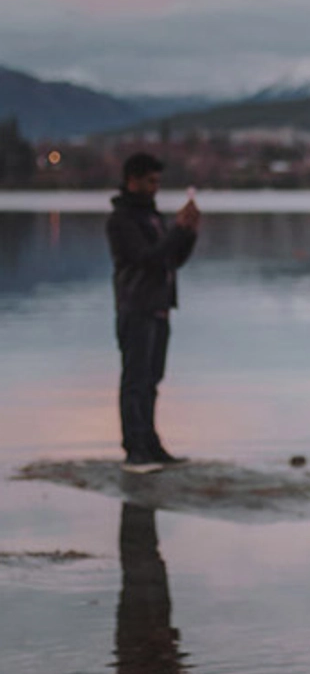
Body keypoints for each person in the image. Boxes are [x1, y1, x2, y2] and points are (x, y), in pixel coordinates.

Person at [106, 153, 200, 471]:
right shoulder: (121, 220)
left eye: (158, 182)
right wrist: (177, 230)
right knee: (135, 380)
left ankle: (150, 444)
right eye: (151, 181)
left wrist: (188, 233)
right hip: (135, 307)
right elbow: (145, 259)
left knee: (151, 380)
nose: (155, 187)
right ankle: (135, 449)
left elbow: (170, 260)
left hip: (159, 307)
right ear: (132, 180)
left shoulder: (151, 217)